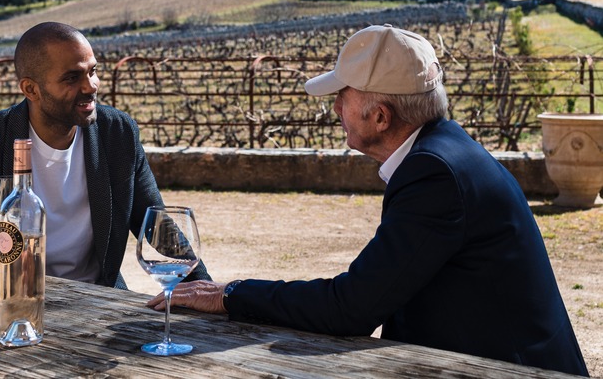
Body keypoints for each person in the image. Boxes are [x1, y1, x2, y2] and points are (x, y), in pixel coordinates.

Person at [150, 24, 588, 376]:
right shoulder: (444, 150)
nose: (335, 106)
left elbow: (351, 308)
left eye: (343, 95)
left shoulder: (433, 173)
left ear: (381, 116)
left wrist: (231, 293)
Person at [0, 21, 210, 289]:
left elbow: (160, 229)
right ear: (30, 89)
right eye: (72, 77)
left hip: (97, 301)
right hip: (10, 304)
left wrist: (208, 291)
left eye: (92, 71)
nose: (91, 85)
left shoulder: (117, 134)